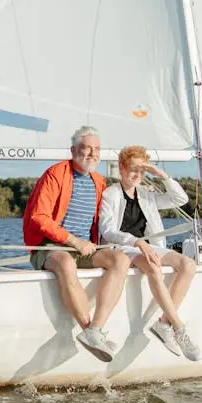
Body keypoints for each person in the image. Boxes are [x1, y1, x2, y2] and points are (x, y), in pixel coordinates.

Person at [22, 126, 132, 363]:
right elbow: (38, 217)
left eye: (97, 149)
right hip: (50, 246)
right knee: (64, 261)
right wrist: (73, 241)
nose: (93, 153)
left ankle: (96, 331)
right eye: (87, 148)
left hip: (86, 246)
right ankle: (86, 328)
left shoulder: (99, 181)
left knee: (120, 260)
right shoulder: (55, 174)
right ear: (73, 150)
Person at [98, 145, 200, 361]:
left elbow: (180, 199)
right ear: (122, 169)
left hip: (148, 247)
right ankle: (179, 328)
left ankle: (164, 324)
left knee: (188, 265)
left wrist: (160, 174)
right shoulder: (111, 194)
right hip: (122, 248)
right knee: (154, 269)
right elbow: (106, 229)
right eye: (133, 169)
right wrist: (136, 242)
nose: (137, 175)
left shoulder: (147, 195)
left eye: (142, 171)